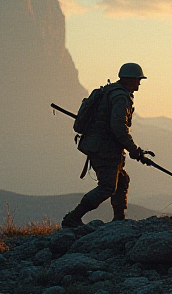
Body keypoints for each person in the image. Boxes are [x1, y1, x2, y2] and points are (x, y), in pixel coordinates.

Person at [62, 63, 152, 228]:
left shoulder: (109, 92)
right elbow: (119, 127)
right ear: (131, 79)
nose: (139, 83)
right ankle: (73, 217)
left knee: (122, 180)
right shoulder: (120, 97)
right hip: (105, 149)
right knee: (107, 187)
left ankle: (119, 219)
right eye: (138, 80)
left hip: (100, 145)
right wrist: (134, 150)